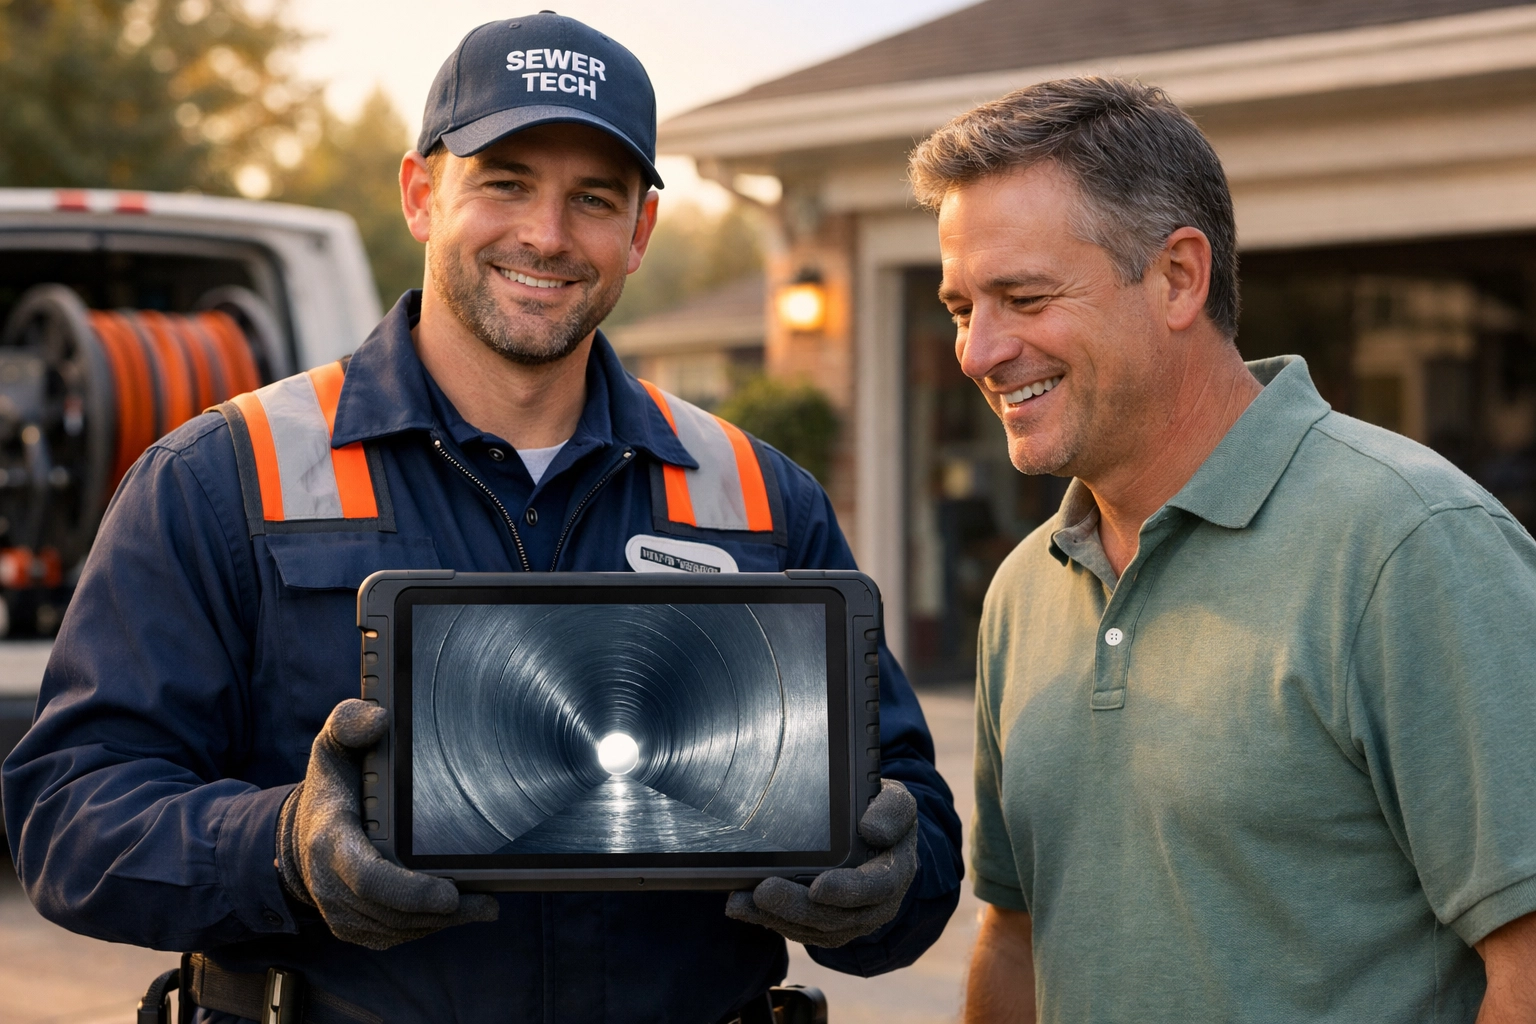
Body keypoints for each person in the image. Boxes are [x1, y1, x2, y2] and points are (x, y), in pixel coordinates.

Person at [2, 13, 962, 1023]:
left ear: (639, 234)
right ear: (422, 193)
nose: (546, 235)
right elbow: (70, 813)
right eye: (505, 181)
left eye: (593, 199)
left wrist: (883, 882)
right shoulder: (222, 479)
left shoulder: (760, 500)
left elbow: (910, 817)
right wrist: (283, 845)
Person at [907, 77, 1536, 1023]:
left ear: (1177, 278)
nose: (978, 351)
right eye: (962, 308)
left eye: (1023, 297)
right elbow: (1018, 938)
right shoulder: (1022, 589)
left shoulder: (1412, 546)